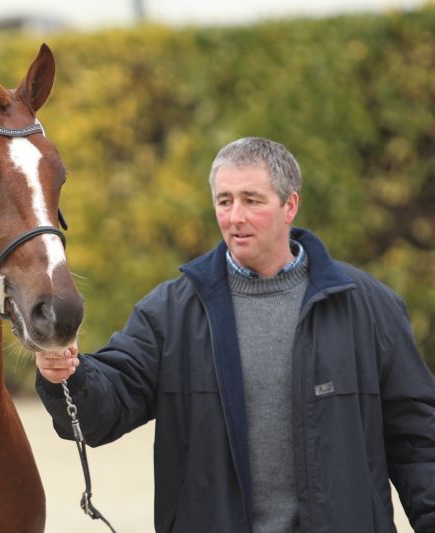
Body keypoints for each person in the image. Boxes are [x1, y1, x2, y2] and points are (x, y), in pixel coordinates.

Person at [35, 137, 435, 532]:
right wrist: (67, 376)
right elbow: (106, 408)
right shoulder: (170, 312)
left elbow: (420, 443)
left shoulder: (370, 307)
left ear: (289, 205)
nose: (235, 216)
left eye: (252, 200)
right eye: (224, 201)